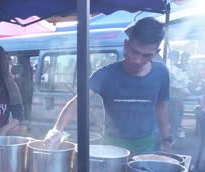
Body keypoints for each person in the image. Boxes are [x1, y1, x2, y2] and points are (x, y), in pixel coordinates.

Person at [44, 17, 171, 153]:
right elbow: (77, 102)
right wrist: (56, 130)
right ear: (126, 45)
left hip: (145, 145)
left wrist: (166, 140)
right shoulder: (105, 74)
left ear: (156, 52)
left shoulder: (161, 72)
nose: (138, 60)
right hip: (112, 145)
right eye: (135, 52)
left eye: (146, 55)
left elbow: (161, 106)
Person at [167, 50, 190, 143]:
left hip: (171, 99)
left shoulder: (175, 68)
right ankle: (171, 140)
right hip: (171, 99)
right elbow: (180, 85)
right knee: (173, 121)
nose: (176, 60)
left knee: (172, 121)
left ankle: (170, 139)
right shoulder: (169, 68)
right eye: (175, 57)